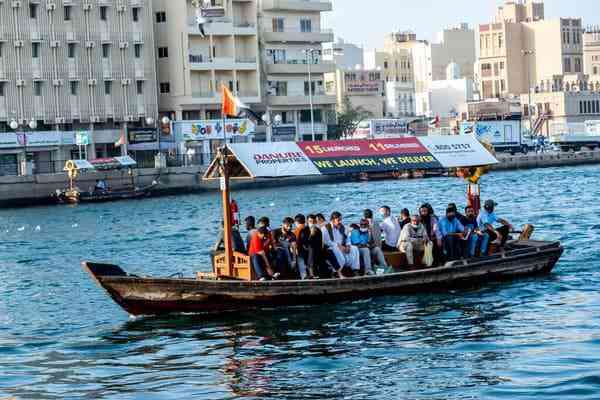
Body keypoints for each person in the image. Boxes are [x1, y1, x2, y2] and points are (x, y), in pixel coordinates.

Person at [322, 211, 360, 278]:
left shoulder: (343, 227)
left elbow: (347, 238)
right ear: (333, 220)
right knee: (336, 250)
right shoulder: (325, 228)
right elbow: (326, 241)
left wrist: (348, 245)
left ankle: (355, 270)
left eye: (341, 220)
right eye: (338, 220)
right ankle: (336, 272)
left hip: (342, 246)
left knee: (354, 248)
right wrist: (338, 245)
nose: (340, 221)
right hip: (332, 247)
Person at [294, 214, 313, 279]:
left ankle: (304, 276)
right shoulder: (309, 228)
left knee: (300, 259)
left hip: (301, 251)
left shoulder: (297, 230)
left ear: (296, 222)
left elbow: (295, 243)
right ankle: (310, 274)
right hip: (309, 251)